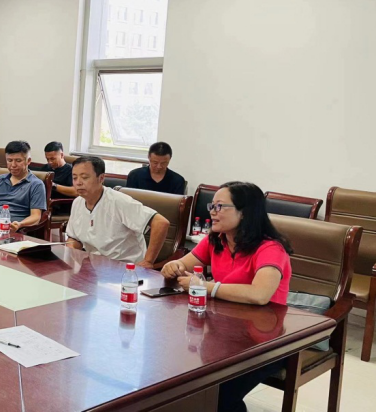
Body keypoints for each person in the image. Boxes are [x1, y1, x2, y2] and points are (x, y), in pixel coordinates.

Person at [161, 181, 292, 412]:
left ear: (244, 212)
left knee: (217, 396)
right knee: (175, 376)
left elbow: (260, 294)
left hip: (264, 342)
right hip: (224, 332)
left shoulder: (270, 248)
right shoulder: (216, 239)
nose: (212, 211)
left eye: (220, 206)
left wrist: (206, 287)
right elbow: (183, 264)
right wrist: (173, 266)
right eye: (212, 206)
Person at [65, 156, 170, 267]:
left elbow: (161, 223)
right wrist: (72, 250)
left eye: (84, 177)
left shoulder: (119, 201)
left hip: (123, 267)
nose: (78, 183)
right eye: (74, 178)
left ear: (101, 178)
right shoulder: (77, 203)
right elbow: (74, 238)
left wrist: (148, 261)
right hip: (93, 266)